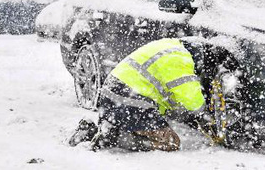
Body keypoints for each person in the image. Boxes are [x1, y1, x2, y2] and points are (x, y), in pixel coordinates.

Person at [68, 38, 214, 152]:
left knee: (139, 126)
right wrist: (207, 116)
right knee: (171, 142)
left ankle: (96, 130)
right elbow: (192, 99)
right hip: (130, 100)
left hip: (112, 94)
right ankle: (112, 138)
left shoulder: (169, 46)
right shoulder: (181, 60)